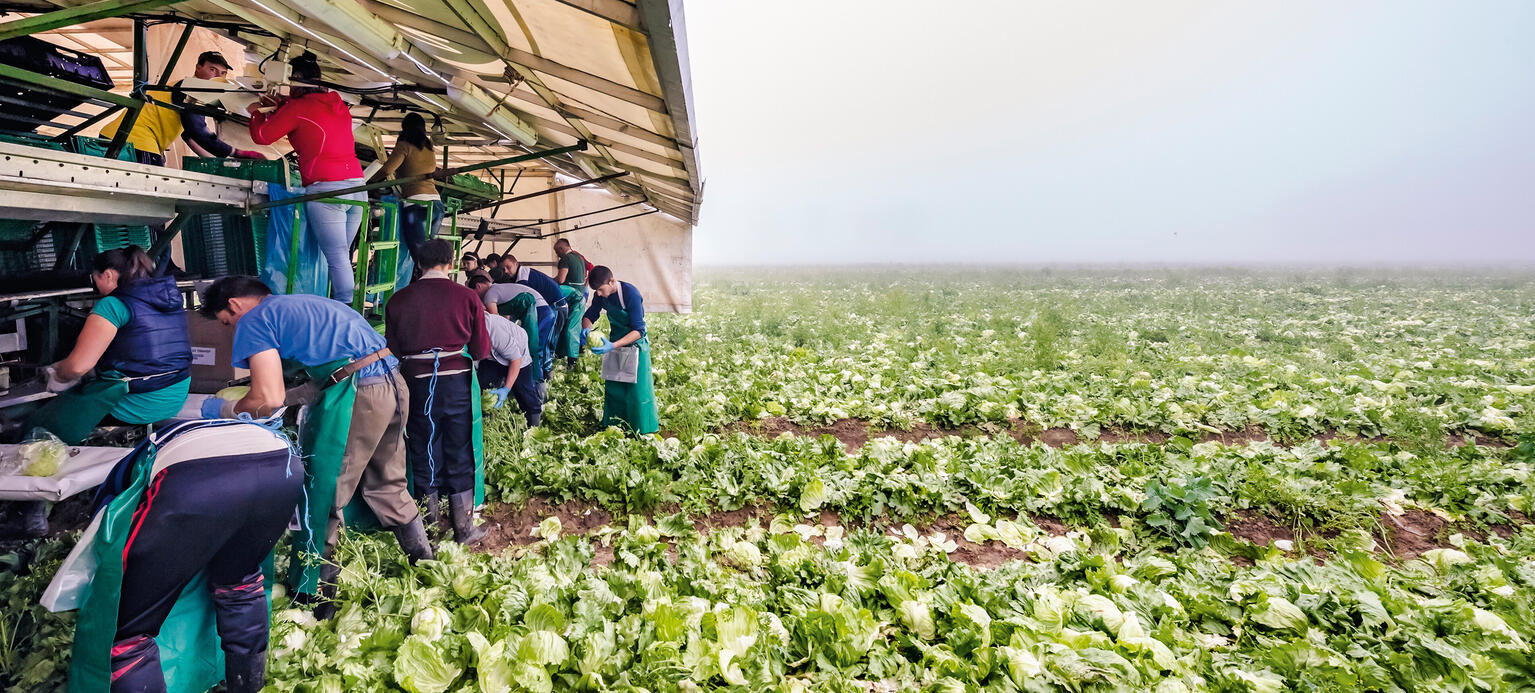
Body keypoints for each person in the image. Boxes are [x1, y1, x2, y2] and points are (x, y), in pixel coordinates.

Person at [198, 276, 432, 614]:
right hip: (391, 383)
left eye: (225, 322)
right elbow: (314, 382)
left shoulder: (253, 319)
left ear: (234, 306)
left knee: (322, 492)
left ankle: (316, 598)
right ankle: (426, 566)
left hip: (358, 393)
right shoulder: (300, 306)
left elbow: (268, 395)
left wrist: (224, 410)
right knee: (388, 483)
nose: (232, 330)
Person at [59, 418, 302, 693]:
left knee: (124, 633)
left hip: (197, 479)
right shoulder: (195, 433)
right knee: (238, 580)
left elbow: (111, 526)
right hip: (281, 466)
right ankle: (247, 686)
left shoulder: (121, 476)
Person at [383, 240, 490, 544]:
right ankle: (464, 528)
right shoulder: (467, 296)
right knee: (459, 446)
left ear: (418, 264)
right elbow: (481, 348)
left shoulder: (398, 300)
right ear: (451, 261)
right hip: (456, 381)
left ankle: (429, 528)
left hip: (415, 382)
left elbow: (395, 350)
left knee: (423, 445)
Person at [31, 246, 192, 445]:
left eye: (94, 280)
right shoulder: (169, 298)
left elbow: (77, 367)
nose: (96, 288)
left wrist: (56, 375)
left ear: (107, 275)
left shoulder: (113, 305)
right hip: (176, 394)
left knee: (42, 423)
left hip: (139, 402)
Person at [247, 51, 365, 302]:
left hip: (328, 189)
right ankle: (345, 307)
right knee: (341, 256)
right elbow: (313, 121)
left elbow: (263, 137)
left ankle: (343, 309)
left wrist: (257, 112)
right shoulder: (339, 103)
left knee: (336, 256)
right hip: (357, 186)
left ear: (296, 78)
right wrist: (283, 106)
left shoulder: (298, 108)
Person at [100, 51, 263, 166]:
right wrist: (236, 153)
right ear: (198, 67)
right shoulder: (190, 88)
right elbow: (197, 131)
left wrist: (219, 163)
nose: (217, 77)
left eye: (222, 73)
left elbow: (188, 136)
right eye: (212, 69)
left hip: (115, 136)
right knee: (152, 198)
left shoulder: (190, 92)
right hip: (133, 141)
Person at [582, 266, 659, 434]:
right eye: (597, 291)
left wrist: (613, 346)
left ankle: (642, 429)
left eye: (601, 290)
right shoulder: (601, 295)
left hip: (635, 345)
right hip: (616, 343)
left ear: (611, 281)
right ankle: (617, 427)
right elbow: (590, 314)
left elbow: (639, 330)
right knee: (615, 387)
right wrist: (586, 328)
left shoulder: (631, 294)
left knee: (637, 392)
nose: (599, 294)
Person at [374, 112, 441, 261]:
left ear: (405, 128)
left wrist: (370, 181)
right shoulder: (429, 146)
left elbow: (387, 170)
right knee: (431, 255)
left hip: (417, 205)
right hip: (437, 205)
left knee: (420, 258)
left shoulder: (404, 145)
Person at [471, 276, 546, 385]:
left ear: (478, 286)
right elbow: (505, 318)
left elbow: (494, 320)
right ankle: (535, 380)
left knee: (531, 349)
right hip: (537, 309)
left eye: (475, 293)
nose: (477, 297)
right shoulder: (498, 289)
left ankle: (535, 382)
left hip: (536, 311)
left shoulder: (489, 295)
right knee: (534, 350)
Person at [501, 255, 564, 377]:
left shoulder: (522, 278)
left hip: (555, 306)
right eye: (504, 270)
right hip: (545, 308)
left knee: (545, 342)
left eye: (508, 267)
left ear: (516, 263)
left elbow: (523, 303)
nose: (506, 272)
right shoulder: (519, 275)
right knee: (539, 341)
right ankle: (542, 371)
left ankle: (546, 373)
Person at [479, 310, 541, 426]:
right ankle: (487, 420)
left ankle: (534, 425)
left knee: (523, 389)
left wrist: (506, 389)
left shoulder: (495, 332)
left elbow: (516, 360)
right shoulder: (467, 329)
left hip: (517, 351)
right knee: (484, 385)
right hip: (492, 355)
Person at [552, 239, 589, 368]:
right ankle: (567, 358)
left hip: (571, 298)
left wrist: (549, 282)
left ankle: (571, 361)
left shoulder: (565, 260)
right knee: (573, 326)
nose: (557, 254)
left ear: (562, 248)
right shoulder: (579, 258)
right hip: (581, 296)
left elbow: (561, 279)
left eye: (557, 251)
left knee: (567, 328)